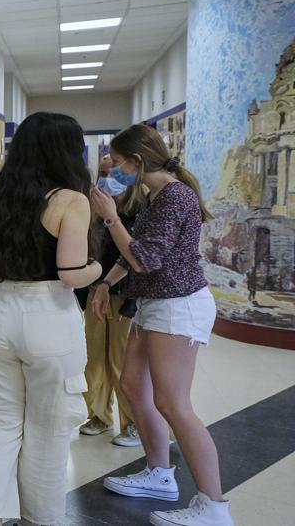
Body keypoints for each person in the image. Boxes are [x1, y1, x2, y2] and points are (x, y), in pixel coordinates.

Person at [0, 112, 100, 526]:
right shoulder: (70, 199)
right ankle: (40, 519)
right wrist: (99, 269)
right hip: (48, 315)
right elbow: (72, 273)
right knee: (49, 429)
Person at [89, 124, 232, 526]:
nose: (112, 170)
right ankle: (159, 474)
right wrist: (105, 284)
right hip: (154, 303)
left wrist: (111, 218)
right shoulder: (157, 196)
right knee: (133, 385)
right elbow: (135, 253)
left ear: (137, 161)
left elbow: (144, 258)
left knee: (173, 403)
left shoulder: (175, 197)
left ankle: (214, 506)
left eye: (116, 163)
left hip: (178, 307)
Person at [77, 163, 145, 448]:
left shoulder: (139, 211)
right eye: (103, 173)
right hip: (96, 292)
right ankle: (99, 416)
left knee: (120, 362)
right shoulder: (93, 213)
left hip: (124, 295)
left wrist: (131, 302)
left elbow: (137, 259)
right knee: (94, 360)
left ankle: (133, 424)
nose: (107, 180)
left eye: (114, 173)